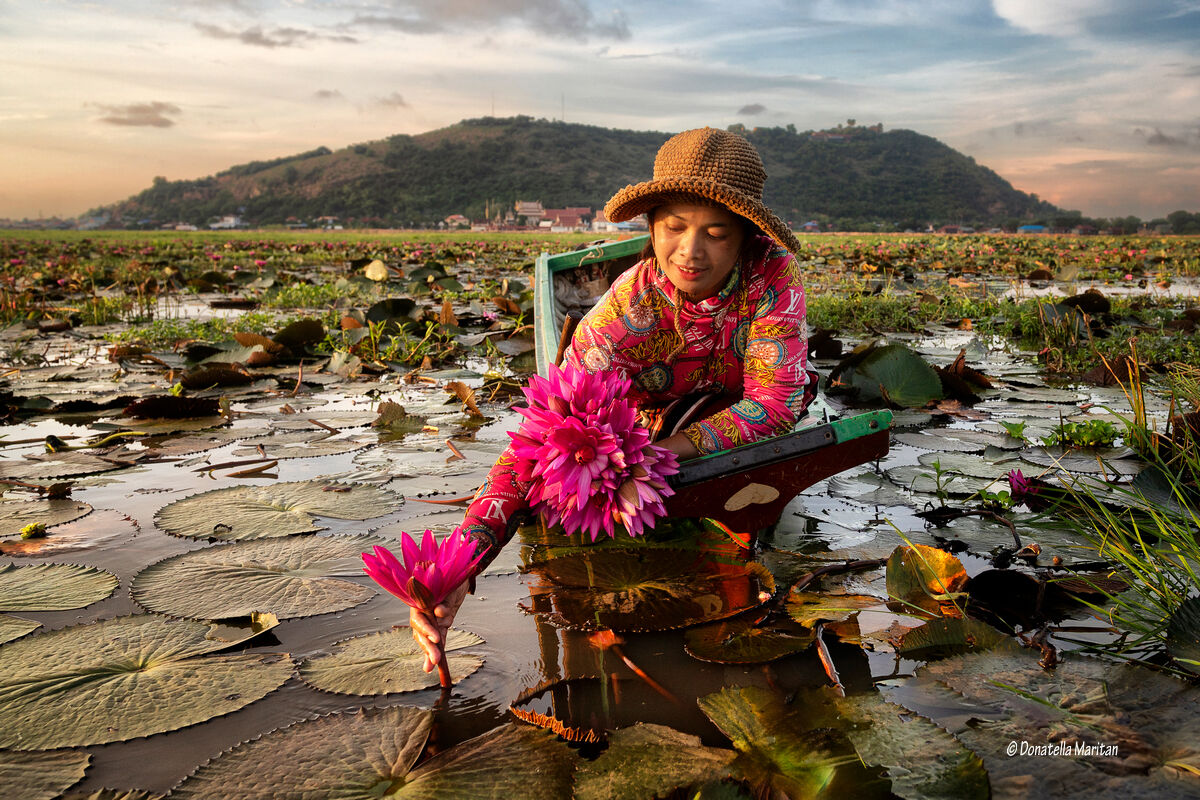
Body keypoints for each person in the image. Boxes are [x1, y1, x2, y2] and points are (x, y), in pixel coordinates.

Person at [410, 126, 818, 675]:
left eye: (716, 233)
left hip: (711, 415)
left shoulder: (773, 277)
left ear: (746, 235)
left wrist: (659, 454)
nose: (690, 252)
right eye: (674, 227)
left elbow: (773, 404)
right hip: (650, 420)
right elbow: (539, 443)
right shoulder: (627, 308)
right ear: (651, 226)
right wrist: (460, 565)